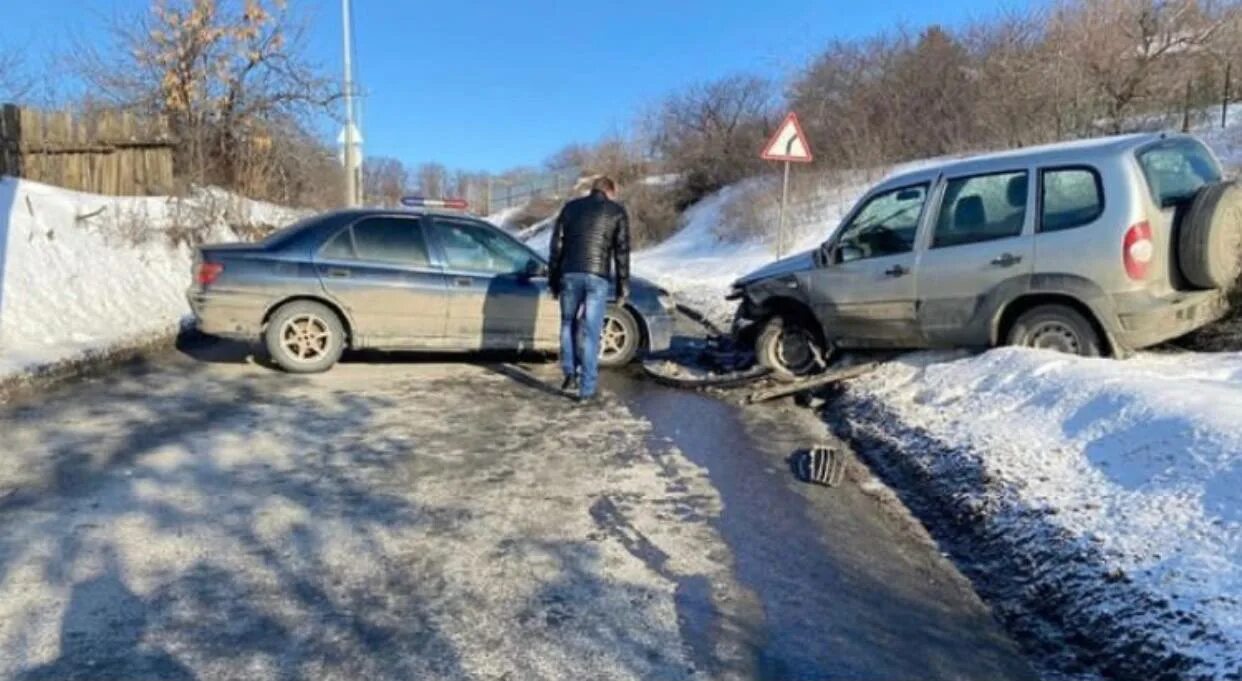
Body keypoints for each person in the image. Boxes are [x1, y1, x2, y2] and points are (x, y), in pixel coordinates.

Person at [548, 176, 630, 402]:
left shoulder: (570, 208)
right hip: (597, 276)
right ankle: (587, 390)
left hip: (570, 274)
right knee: (591, 332)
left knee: (567, 323)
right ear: (610, 191)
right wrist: (623, 285)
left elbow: (556, 246)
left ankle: (569, 374)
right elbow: (621, 252)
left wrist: (553, 280)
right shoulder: (616, 211)